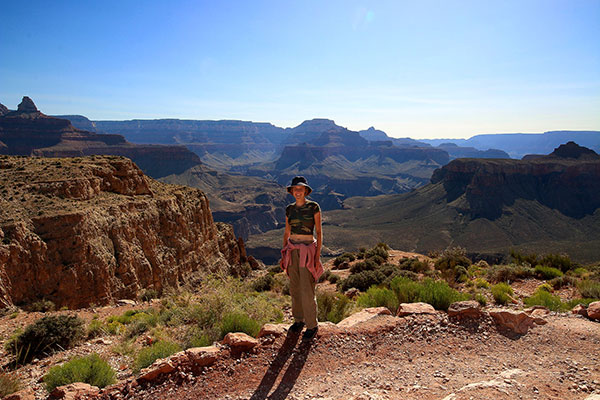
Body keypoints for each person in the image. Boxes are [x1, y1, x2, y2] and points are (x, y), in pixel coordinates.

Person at [280, 176, 323, 339]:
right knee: (295, 288)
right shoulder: (289, 209)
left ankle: (312, 325)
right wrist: (283, 253)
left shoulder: (314, 207)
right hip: (292, 251)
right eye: (295, 189)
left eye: (300, 189)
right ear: (291, 192)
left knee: (307, 288)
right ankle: (298, 320)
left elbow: (318, 232)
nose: (298, 191)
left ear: (305, 191)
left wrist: (317, 256)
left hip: (307, 250)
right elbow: (286, 232)